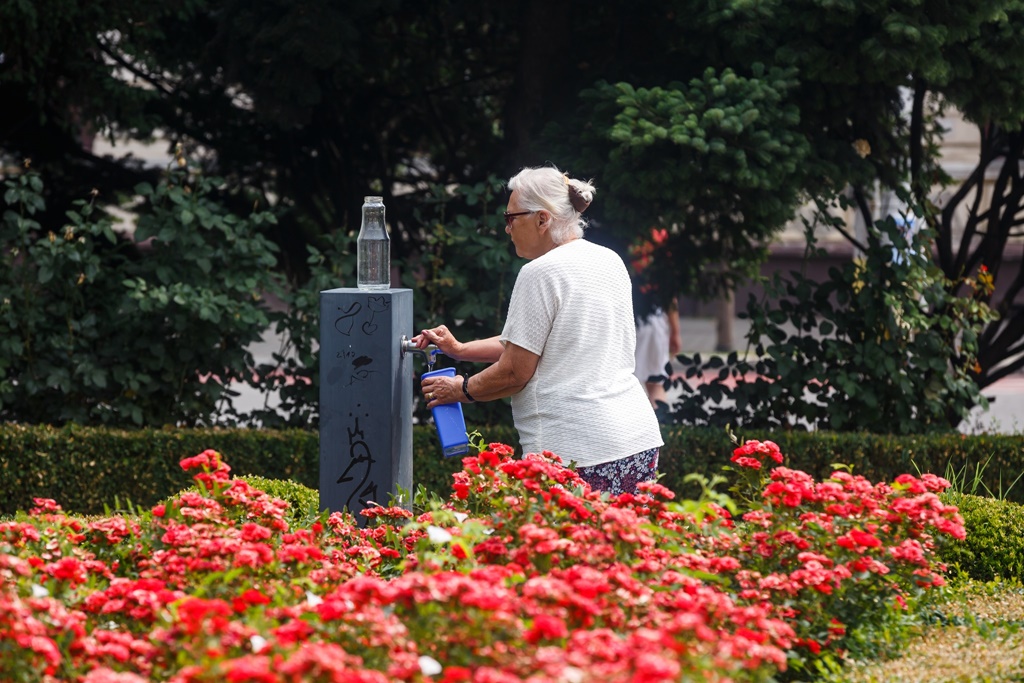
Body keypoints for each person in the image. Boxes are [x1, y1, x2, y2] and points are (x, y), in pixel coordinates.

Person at [413, 165, 663, 496]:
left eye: (511, 217)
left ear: (542, 219)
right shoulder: (609, 260)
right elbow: (536, 344)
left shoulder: (540, 272)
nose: (507, 228)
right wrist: (460, 349)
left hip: (576, 451)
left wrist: (462, 389)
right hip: (637, 439)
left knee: (559, 547)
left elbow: (516, 371)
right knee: (621, 546)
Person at [634, 297, 681, 406]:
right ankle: (658, 419)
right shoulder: (662, 281)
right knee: (656, 382)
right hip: (655, 324)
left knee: (622, 378)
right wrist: (675, 332)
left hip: (629, 321)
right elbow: (670, 299)